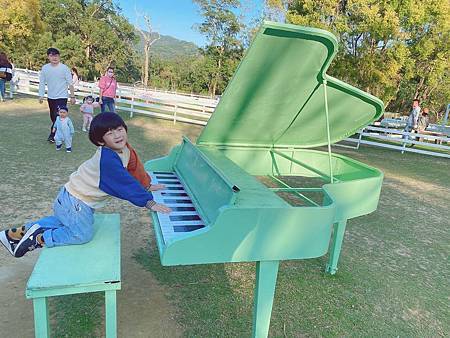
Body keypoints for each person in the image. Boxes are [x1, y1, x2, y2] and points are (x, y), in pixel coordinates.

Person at [0, 113, 171, 258]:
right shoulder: (107, 159)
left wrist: (146, 185)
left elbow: (134, 168)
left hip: (71, 199)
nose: (118, 135)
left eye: (119, 129)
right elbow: (124, 183)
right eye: (110, 133)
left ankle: (15, 234)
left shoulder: (125, 149)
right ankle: (38, 239)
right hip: (76, 202)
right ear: (101, 141)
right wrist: (149, 202)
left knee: (66, 223)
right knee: (81, 235)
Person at [38, 48, 76, 143]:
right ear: (48, 57)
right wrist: (41, 95)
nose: (54, 57)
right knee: (53, 116)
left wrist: (72, 96)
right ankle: (62, 130)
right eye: (52, 55)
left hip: (62, 96)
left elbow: (70, 83)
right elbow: (42, 82)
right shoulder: (45, 68)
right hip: (51, 97)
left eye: (56, 55)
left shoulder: (64, 68)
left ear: (59, 56)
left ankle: (52, 135)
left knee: (58, 116)